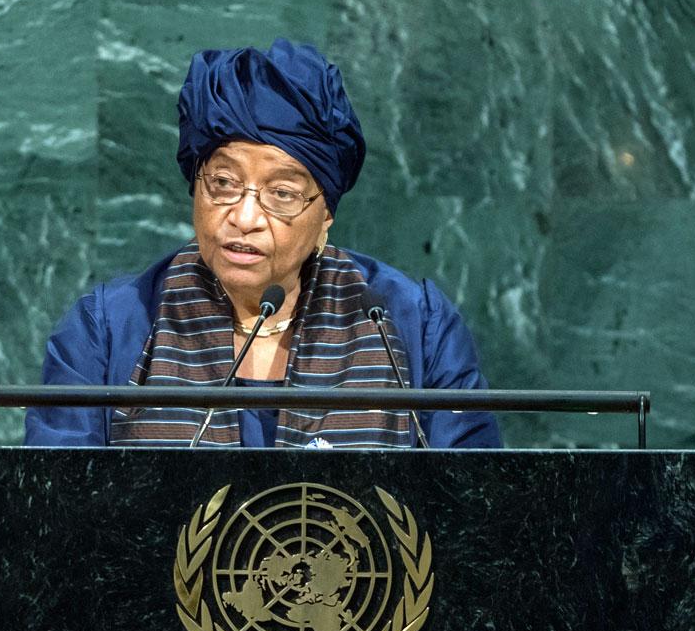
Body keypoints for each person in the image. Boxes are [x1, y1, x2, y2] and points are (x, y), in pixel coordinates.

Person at [25, 38, 501, 448]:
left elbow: (475, 505)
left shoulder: (413, 323)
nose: (245, 217)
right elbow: (55, 507)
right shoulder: (107, 330)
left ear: (326, 214)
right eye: (223, 183)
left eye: (282, 194)